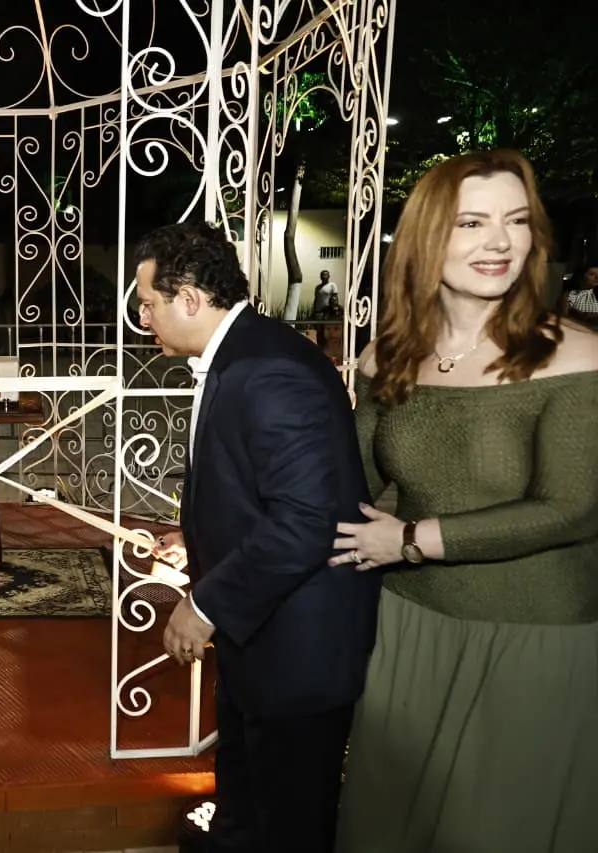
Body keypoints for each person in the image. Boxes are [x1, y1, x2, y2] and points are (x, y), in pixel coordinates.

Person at [332, 150, 598, 851]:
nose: (501, 242)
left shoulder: (574, 356)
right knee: (389, 828)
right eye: (473, 222)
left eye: (516, 221)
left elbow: (571, 508)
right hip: (410, 628)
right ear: (426, 238)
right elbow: (358, 490)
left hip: (530, 638)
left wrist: (412, 538)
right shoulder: (387, 358)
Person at [135, 221, 379, 853]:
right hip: (266, 638)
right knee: (246, 808)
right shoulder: (244, 352)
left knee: (288, 823)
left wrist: (206, 604)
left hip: (297, 647)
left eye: (148, 304)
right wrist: (198, 538)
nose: (143, 318)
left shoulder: (266, 368)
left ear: (189, 299)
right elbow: (261, 492)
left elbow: (304, 519)